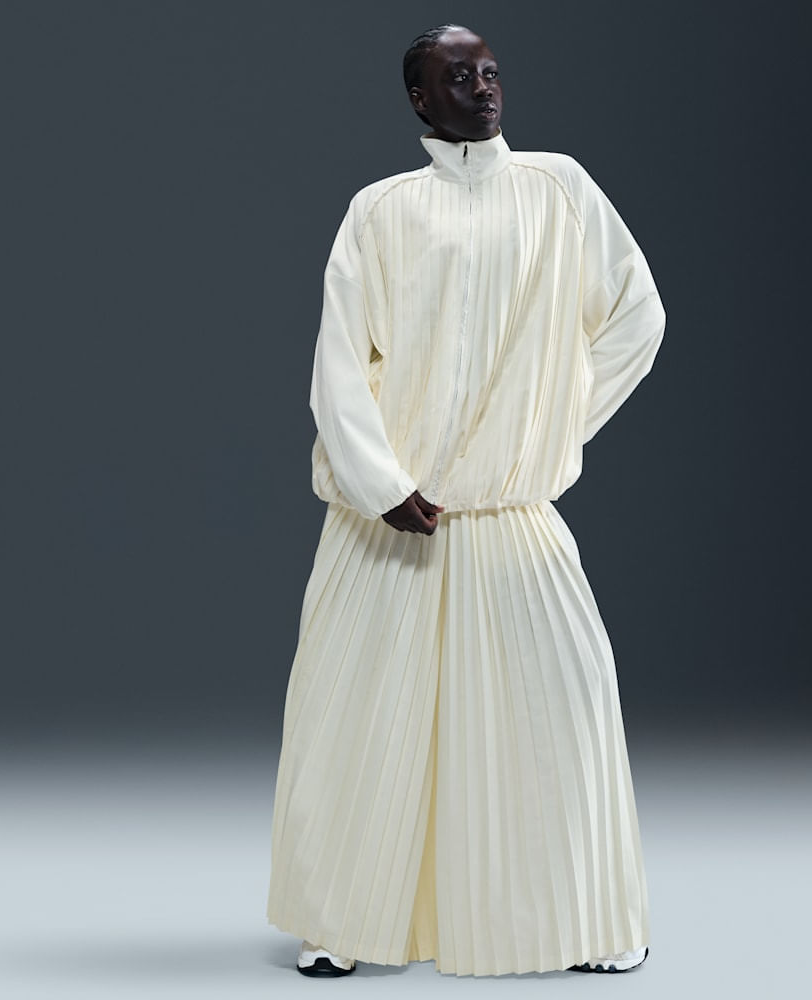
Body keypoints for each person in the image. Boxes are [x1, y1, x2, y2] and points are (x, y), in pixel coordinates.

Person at [266, 23, 666, 979]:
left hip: (510, 517)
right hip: (392, 526)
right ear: (420, 98)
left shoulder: (559, 189)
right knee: (361, 721)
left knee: (562, 717)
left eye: (489, 72)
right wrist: (380, 483)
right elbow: (338, 362)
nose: (482, 88)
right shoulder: (380, 210)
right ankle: (342, 925)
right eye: (458, 76)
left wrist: (548, 427)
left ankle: (586, 919)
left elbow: (637, 314)